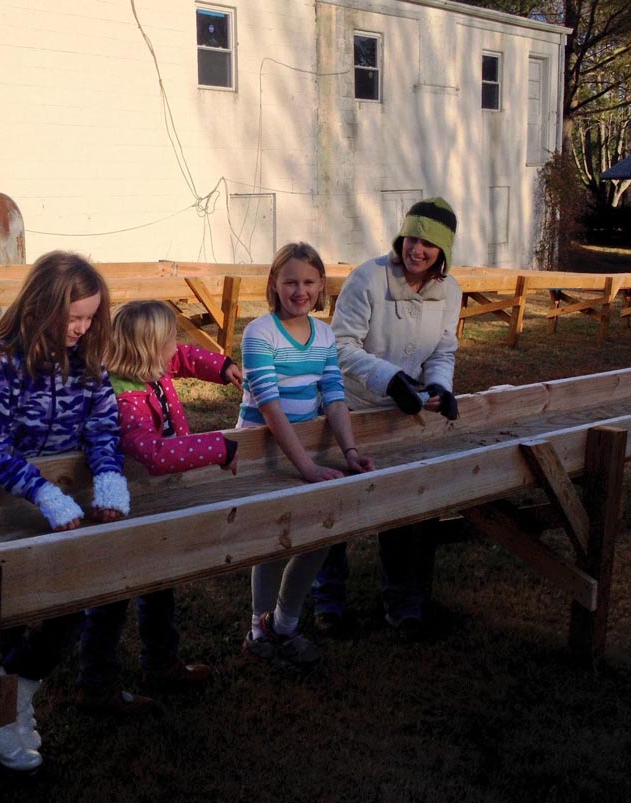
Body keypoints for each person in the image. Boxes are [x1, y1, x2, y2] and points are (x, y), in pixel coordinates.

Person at [0, 250, 131, 772]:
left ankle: (16, 698)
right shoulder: (3, 360)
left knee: (70, 606)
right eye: (74, 317)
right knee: (8, 616)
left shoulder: (89, 361)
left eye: (90, 317)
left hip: (68, 507)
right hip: (7, 506)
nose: (83, 328)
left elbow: (103, 426)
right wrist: (40, 491)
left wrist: (107, 474)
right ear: (40, 307)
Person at [77, 300, 242, 710]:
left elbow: (185, 358)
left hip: (151, 501)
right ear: (150, 350)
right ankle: (97, 685)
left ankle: (161, 662)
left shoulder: (148, 367)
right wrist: (219, 446)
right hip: (120, 505)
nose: (177, 348)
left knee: (159, 580)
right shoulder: (126, 398)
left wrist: (221, 367)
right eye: (170, 341)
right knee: (113, 595)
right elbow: (153, 453)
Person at [311, 197, 462, 642]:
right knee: (334, 509)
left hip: (401, 412)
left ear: (443, 251)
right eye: (413, 239)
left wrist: (439, 385)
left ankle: (402, 603)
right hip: (350, 406)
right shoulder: (369, 278)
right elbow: (339, 345)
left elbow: (443, 350)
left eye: (429, 244)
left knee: (404, 505)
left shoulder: (449, 291)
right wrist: (388, 376)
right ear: (402, 238)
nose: (418, 250)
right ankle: (328, 602)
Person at [237, 242, 374, 667]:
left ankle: (285, 623)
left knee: (318, 537)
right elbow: (270, 404)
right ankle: (259, 632)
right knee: (274, 542)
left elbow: (333, 395)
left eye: (309, 282)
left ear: (321, 286)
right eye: (290, 281)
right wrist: (307, 468)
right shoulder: (259, 333)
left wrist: (349, 451)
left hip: (307, 452)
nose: (300, 291)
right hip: (264, 453)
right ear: (274, 285)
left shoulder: (326, 334)